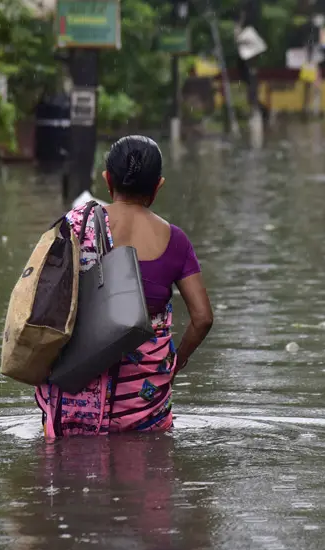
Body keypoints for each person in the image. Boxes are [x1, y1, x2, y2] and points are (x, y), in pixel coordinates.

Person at [35, 135, 214, 440]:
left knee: (66, 477)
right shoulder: (176, 241)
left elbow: (43, 298)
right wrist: (175, 362)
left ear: (108, 180)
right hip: (143, 406)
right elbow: (202, 318)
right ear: (158, 186)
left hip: (74, 398)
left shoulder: (75, 225)